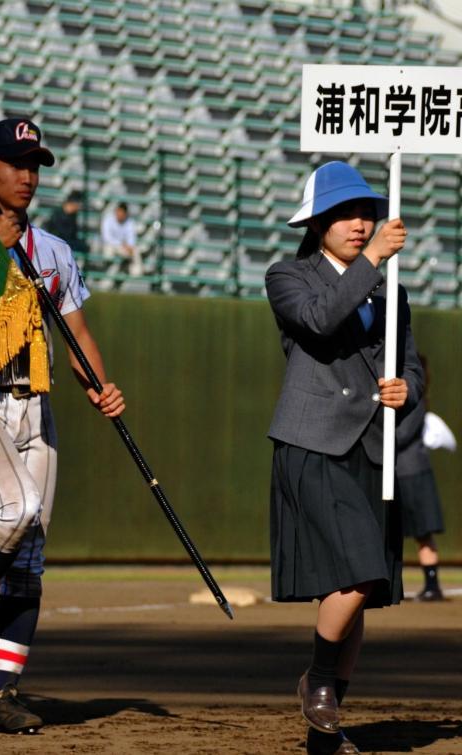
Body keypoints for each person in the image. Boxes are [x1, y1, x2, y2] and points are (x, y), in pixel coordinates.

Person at [0, 117, 125, 734]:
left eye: (35, 165)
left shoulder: (54, 251)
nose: (27, 175)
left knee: (29, 560)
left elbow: (75, 335)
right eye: (14, 163)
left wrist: (100, 387)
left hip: (37, 404)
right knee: (16, 509)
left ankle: (6, 695)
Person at [265, 161, 424, 755]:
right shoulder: (287, 275)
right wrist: (373, 260)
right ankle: (320, 681)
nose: (360, 223)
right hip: (312, 442)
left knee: (366, 586)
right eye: (345, 214)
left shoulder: (393, 289)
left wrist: (406, 391)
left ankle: (324, 730)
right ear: (317, 224)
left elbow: (409, 364)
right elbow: (318, 317)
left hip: (373, 447)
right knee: (360, 572)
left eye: (367, 213)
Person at [396, 355, 448, 602]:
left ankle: (432, 585)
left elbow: (401, 435)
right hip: (399, 472)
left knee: (423, 532)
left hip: (412, 473)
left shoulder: (415, 401)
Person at [100, 201, 141, 276]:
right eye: (118, 212)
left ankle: (136, 276)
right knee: (108, 252)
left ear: (125, 214)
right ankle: (105, 273)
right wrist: (121, 244)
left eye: (122, 213)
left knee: (135, 251)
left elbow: (131, 238)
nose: (119, 215)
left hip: (122, 248)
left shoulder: (130, 222)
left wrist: (129, 246)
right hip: (110, 246)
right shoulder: (108, 219)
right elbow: (106, 238)